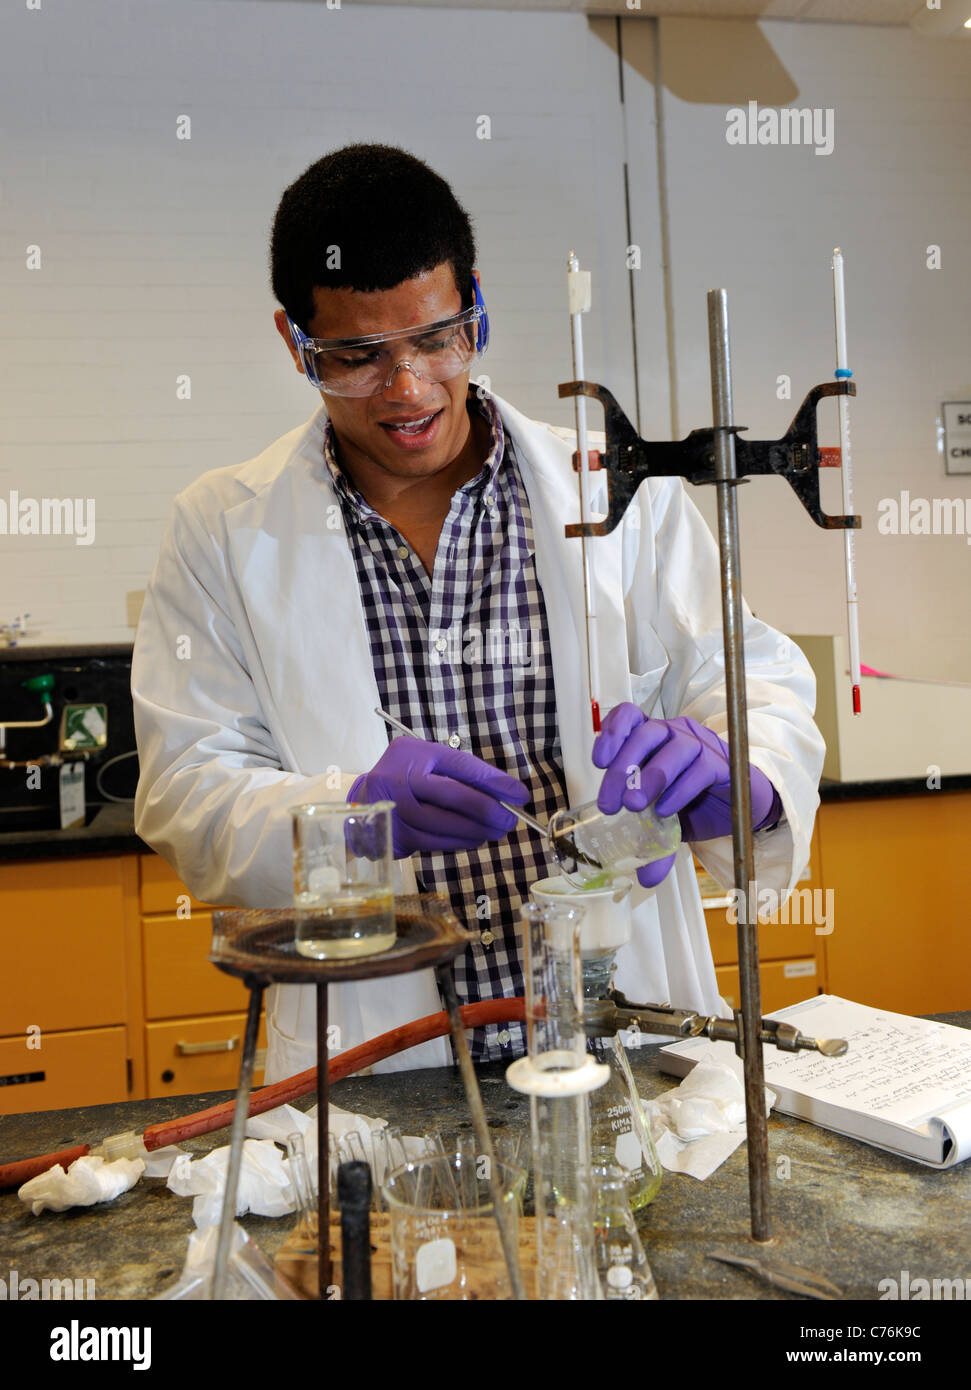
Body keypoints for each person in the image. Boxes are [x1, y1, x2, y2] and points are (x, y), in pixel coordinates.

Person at [132, 144, 824, 1084]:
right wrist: (352, 813)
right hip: (385, 1057)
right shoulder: (220, 528)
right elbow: (186, 792)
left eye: (436, 338)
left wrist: (739, 773)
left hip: (620, 1032)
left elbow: (753, 678)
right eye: (357, 357)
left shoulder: (620, 497)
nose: (407, 387)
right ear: (296, 344)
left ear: (476, 308)